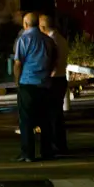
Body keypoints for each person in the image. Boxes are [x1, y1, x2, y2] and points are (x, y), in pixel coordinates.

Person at [13, 12, 57, 162]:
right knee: (45, 120)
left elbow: (18, 63)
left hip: (28, 84)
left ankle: (28, 154)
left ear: (25, 24)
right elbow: (54, 60)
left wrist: (17, 82)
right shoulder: (48, 40)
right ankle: (47, 151)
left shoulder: (24, 39)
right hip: (45, 84)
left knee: (26, 121)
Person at [40, 14, 69, 154]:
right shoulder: (62, 39)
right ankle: (60, 144)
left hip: (53, 80)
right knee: (57, 114)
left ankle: (54, 146)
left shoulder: (51, 41)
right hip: (61, 78)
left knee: (51, 116)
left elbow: (50, 62)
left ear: (43, 27)